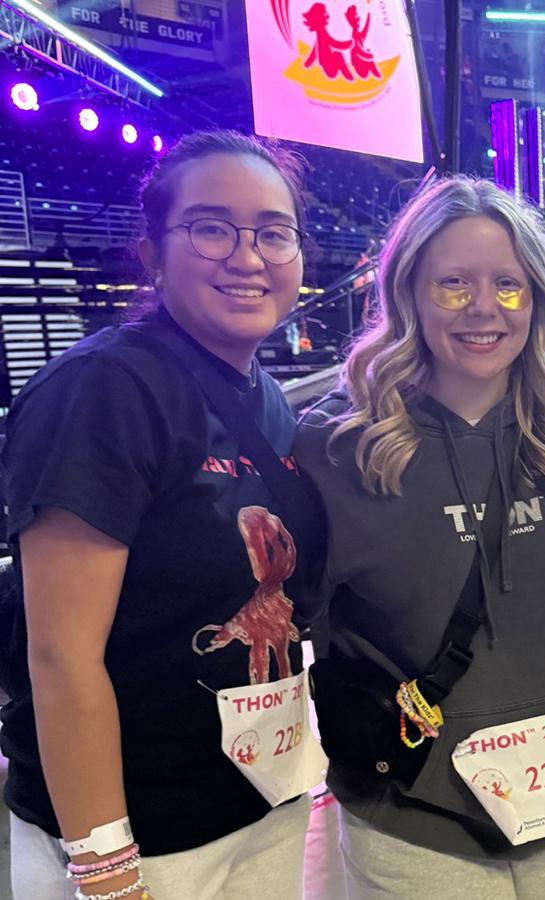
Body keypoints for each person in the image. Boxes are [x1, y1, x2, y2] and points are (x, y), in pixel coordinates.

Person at [1, 131, 326, 899]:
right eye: (212, 227)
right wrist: (106, 867)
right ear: (153, 251)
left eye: (273, 232)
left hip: (256, 804)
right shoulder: (102, 391)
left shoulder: (267, 399)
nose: (248, 257)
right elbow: (60, 658)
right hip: (139, 834)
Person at [294, 176, 545, 900]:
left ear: (537, 298)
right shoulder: (336, 449)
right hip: (418, 821)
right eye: (454, 284)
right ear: (408, 291)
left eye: (509, 284)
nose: (484, 307)